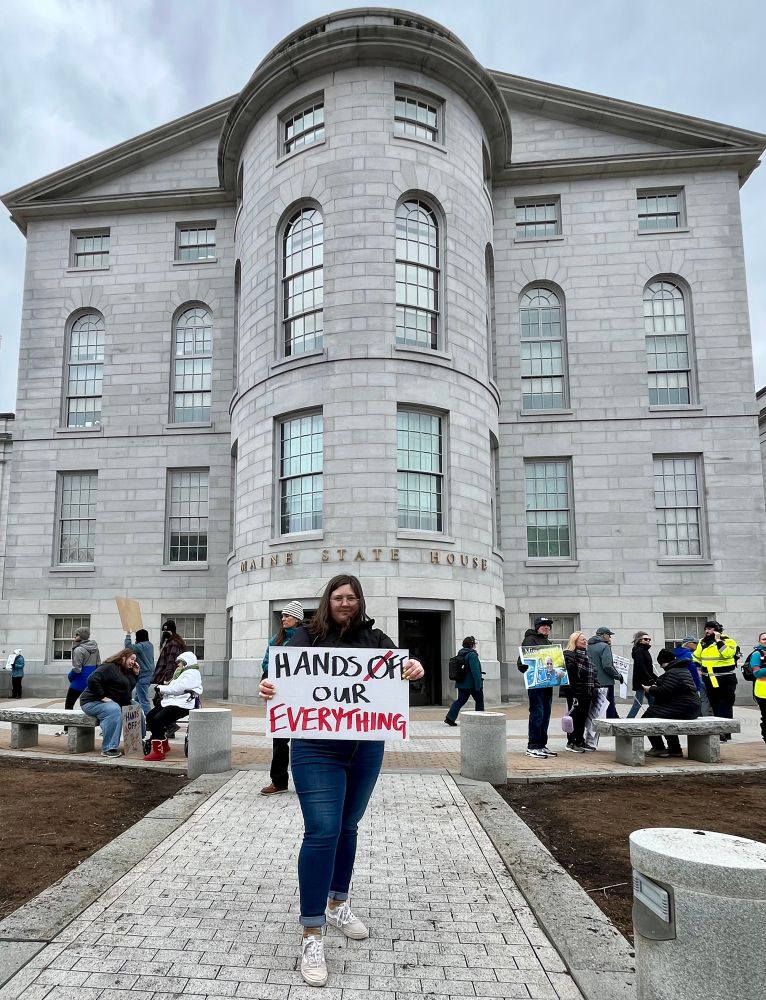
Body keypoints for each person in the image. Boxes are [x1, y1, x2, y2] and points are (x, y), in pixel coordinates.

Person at [258, 573, 424, 988]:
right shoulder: (305, 639)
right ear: (327, 599)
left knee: (348, 827)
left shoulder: (377, 640)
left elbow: (401, 684)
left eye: (352, 597)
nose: (345, 603)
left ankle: (338, 903)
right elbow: (279, 680)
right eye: (338, 596)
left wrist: (413, 670)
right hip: (316, 749)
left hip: (365, 748)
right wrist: (267, 688)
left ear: (360, 601)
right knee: (322, 831)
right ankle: (311, 932)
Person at [260, 600, 304, 793]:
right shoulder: (275, 639)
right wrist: (265, 680)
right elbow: (266, 663)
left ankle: (306, 781)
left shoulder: (308, 638)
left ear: (297, 619)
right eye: (283, 616)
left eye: (287, 616)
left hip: (302, 695)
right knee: (279, 740)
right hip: (280, 695)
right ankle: (278, 781)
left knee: (303, 741)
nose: (283, 619)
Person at [143, 651, 203, 761]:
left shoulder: (191, 673)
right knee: (150, 716)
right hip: (174, 701)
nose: (177, 664)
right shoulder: (182, 673)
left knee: (157, 720)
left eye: (179, 662)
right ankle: (163, 743)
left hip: (184, 704)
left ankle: (158, 751)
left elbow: (178, 689)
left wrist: (161, 688)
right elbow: (174, 687)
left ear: (186, 662)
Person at [79, 649, 140, 757]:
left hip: (113, 701)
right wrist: (102, 695)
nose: (133, 662)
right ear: (123, 657)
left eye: (135, 660)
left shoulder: (126, 671)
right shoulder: (109, 667)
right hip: (92, 701)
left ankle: (135, 743)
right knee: (114, 710)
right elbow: (92, 679)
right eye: (131, 659)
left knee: (135, 708)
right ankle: (109, 748)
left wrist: (135, 674)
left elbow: (127, 688)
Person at [642, 650, 701, 758]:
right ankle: (675, 749)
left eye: (661, 664)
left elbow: (665, 690)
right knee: (664, 718)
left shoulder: (673, 672)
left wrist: (650, 689)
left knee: (647, 716)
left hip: (684, 708)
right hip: (690, 708)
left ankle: (659, 748)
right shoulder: (682, 670)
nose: (661, 667)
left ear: (664, 662)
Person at [517, 616, 557, 758]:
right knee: (537, 713)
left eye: (548, 626)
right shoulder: (530, 640)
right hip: (535, 684)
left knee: (546, 713)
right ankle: (533, 745)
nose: (546, 627)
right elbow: (521, 664)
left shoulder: (548, 642)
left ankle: (541, 744)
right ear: (537, 627)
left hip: (547, 682)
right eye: (543, 625)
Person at [692, 620, 738, 738]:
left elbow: (728, 654)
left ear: (717, 630)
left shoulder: (728, 641)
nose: (707, 631)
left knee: (725, 705)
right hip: (709, 679)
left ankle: (726, 732)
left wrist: (718, 641)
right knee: (715, 705)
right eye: (706, 629)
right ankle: (718, 731)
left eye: (711, 629)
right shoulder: (703, 642)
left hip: (726, 678)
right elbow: (696, 657)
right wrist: (697, 668)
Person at [563, 632, 597, 752]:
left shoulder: (586, 656)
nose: (585, 641)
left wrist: (595, 686)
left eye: (585, 640)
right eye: (582, 639)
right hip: (575, 693)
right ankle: (571, 742)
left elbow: (592, 674)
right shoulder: (569, 655)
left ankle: (580, 740)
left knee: (582, 718)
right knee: (574, 718)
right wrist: (572, 694)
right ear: (574, 641)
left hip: (586, 692)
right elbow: (569, 677)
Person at [444, 636, 484, 725]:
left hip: (461, 683)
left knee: (460, 700)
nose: (475, 645)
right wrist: (479, 684)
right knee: (479, 700)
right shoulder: (472, 655)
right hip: (472, 684)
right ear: (472, 644)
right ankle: (480, 720)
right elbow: (475, 671)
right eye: (475, 644)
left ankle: (450, 718)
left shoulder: (461, 653)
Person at [587, 627, 622, 727]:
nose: (610, 637)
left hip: (592, 680)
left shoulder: (588, 646)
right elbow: (607, 666)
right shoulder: (604, 646)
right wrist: (618, 676)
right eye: (609, 635)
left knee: (596, 705)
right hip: (606, 681)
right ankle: (611, 724)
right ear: (603, 635)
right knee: (609, 703)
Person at [673, 634, 711, 715]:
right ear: (687, 644)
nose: (697, 645)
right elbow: (694, 671)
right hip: (694, 681)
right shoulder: (690, 655)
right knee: (704, 699)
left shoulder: (677, 654)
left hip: (681, 682)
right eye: (694, 643)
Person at [124, 628, 155, 725]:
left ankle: (151, 722)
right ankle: (134, 720)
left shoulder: (141, 646)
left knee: (144, 701)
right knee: (136, 699)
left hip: (142, 676)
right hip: (149, 674)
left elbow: (128, 647)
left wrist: (128, 635)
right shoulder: (150, 645)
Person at [743, 631, 766, 746]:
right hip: (763, 691)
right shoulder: (757, 654)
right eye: (764, 639)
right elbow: (757, 673)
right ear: (759, 641)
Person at [627, 632, 657, 718]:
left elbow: (648, 668)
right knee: (638, 703)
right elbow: (641, 667)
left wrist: (654, 678)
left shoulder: (644, 650)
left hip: (647, 680)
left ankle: (653, 717)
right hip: (642, 682)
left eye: (649, 639)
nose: (648, 641)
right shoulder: (639, 650)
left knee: (653, 701)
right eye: (645, 639)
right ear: (639, 640)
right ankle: (629, 719)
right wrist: (650, 679)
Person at [151, 620, 187, 685]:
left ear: (171, 632)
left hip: (168, 678)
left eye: (166, 632)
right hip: (168, 676)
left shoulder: (173, 644)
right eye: (163, 632)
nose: (164, 634)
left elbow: (171, 662)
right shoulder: (173, 642)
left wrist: (167, 679)